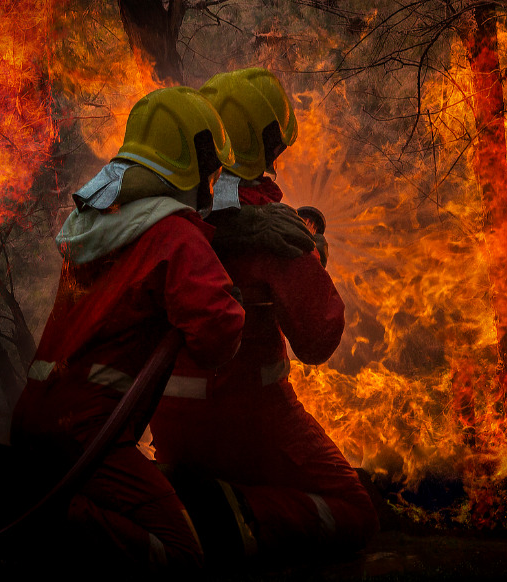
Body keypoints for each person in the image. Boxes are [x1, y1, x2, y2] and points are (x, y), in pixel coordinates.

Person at [147, 68, 379, 565]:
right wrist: (309, 260)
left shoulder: (164, 217)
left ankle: (176, 496)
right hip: (252, 420)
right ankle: (235, 514)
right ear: (265, 145)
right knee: (355, 509)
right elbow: (317, 341)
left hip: (168, 427)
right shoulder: (276, 228)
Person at [10, 86, 246, 572]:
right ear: (194, 165)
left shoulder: (94, 223)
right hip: (90, 430)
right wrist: (233, 299)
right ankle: (46, 519)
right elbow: (216, 337)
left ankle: (34, 510)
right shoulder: (175, 234)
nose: (214, 182)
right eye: (213, 171)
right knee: (181, 553)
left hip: (35, 413)